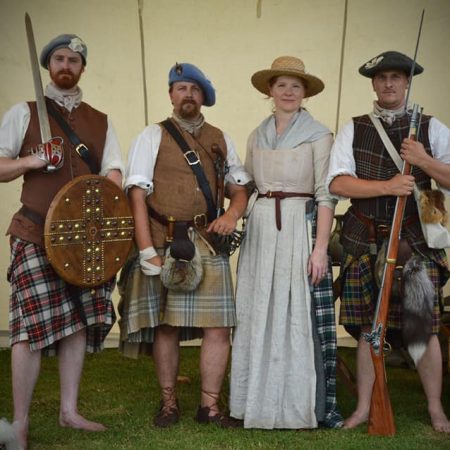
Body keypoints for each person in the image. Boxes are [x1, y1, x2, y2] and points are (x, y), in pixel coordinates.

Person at [0, 34, 124, 449]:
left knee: (77, 324)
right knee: (27, 329)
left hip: (85, 239)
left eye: (73, 59)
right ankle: (19, 424)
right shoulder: (25, 112)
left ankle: (69, 412)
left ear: (82, 68)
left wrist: (102, 206)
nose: (65, 65)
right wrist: (33, 160)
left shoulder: (101, 120)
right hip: (34, 231)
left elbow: (114, 174)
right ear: (48, 66)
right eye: (58, 59)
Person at [118, 62, 250, 428]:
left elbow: (240, 187)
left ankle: (208, 407)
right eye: (180, 88)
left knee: (219, 327)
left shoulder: (221, 137)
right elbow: (136, 194)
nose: (187, 94)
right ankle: (168, 403)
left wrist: (233, 214)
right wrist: (146, 250)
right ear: (171, 95)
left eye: (194, 88)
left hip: (208, 242)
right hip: (164, 241)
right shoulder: (152, 135)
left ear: (203, 96)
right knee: (166, 326)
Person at [327, 50, 450, 433]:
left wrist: (424, 160)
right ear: (374, 83)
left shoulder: (432, 128)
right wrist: (387, 186)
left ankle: (435, 408)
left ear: (407, 82)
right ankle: (365, 408)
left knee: (422, 329)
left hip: (418, 241)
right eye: (382, 78)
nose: (389, 84)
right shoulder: (354, 127)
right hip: (365, 240)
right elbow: (337, 184)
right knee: (368, 327)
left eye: (396, 77)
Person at [229, 56, 342, 429]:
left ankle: (294, 404)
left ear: (305, 92)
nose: (289, 92)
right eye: (281, 85)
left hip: (298, 225)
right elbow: (247, 188)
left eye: (296, 85)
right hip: (262, 228)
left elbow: (326, 194)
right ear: (269, 91)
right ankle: (254, 403)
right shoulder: (256, 134)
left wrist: (320, 247)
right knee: (259, 307)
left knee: (294, 312)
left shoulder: (320, 134)